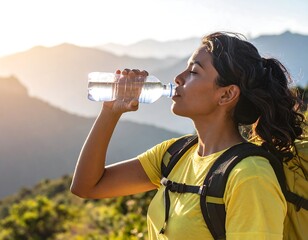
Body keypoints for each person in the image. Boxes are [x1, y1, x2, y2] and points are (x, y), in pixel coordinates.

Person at [70, 32, 305, 239]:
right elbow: (87, 186)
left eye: (193, 71)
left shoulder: (250, 176)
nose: (178, 78)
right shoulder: (174, 154)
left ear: (226, 95)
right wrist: (110, 112)